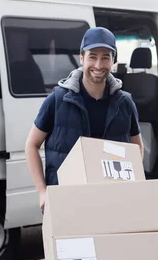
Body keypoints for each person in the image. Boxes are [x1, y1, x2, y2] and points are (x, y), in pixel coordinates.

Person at [25, 27, 144, 211]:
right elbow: (31, 145)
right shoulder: (57, 101)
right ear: (82, 58)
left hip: (110, 204)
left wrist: (131, 180)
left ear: (113, 60)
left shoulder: (125, 103)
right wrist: (42, 191)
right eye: (92, 56)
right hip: (66, 202)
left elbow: (136, 147)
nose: (98, 65)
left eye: (106, 57)